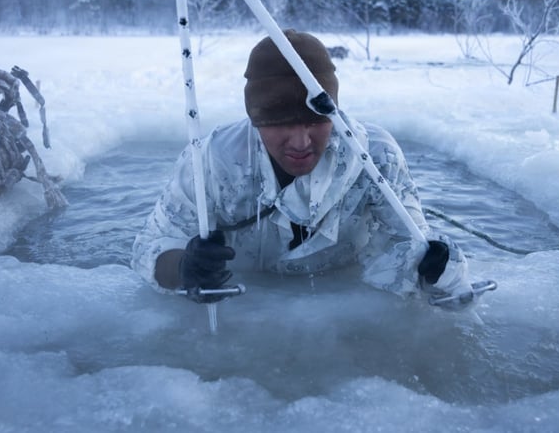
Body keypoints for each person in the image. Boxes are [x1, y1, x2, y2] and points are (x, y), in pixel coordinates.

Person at [131, 29, 474, 307]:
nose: (300, 142)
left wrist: (436, 267)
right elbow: (151, 244)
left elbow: (409, 242)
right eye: (280, 123)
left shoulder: (375, 157)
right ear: (256, 120)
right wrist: (183, 268)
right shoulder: (212, 160)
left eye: (315, 121)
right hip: (250, 308)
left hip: (342, 312)